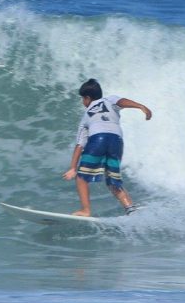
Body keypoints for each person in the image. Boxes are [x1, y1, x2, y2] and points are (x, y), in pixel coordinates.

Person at [62, 78, 152, 216]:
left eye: (82, 99)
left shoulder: (86, 116)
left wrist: (73, 168)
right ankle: (130, 208)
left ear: (87, 98)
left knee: (81, 177)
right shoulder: (110, 100)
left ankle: (85, 210)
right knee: (112, 179)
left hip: (98, 139)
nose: (82, 102)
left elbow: (80, 144)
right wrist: (140, 106)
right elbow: (122, 102)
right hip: (116, 141)